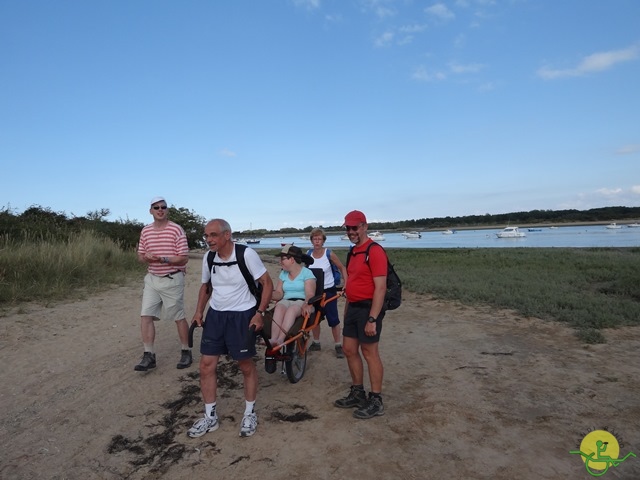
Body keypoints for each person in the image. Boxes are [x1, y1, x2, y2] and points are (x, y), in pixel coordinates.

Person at [188, 219, 273, 438]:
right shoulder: (209, 257)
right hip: (216, 315)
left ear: (227, 235)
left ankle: (250, 412)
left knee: (245, 365)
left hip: (242, 315)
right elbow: (206, 286)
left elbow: (267, 282)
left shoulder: (246, 254)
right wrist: (199, 311)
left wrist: (260, 313)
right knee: (206, 365)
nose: (209, 240)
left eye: (213, 235)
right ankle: (210, 417)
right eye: (206, 236)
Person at [334, 210, 387, 419]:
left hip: (369, 309)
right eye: (348, 228)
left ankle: (376, 400)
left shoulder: (374, 251)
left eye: (354, 227)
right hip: (353, 307)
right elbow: (353, 282)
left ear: (364, 226)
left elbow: (380, 288)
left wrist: (373, 318)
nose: (351, 231)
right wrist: (347, 309)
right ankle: (358, 392)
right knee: (348, 349)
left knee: (369, 352)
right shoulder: (354, 251)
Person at [134, 196, 191, 372]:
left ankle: (186, 350)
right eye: (156, 207)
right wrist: (146, 258)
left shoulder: (176, 230)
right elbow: (140, 256)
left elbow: (184, 258)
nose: (160, 210)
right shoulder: (145, 231)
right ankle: (148, 355)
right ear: (150, 211)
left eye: (163, 207)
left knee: (178, 316)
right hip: (152, 278)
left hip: (172, 278)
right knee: (146, 315)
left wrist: (162, 259)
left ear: (167, 210)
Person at [306, 228, 348, 358]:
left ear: (323, 241)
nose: (317, 241)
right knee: (315, 319)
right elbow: (305, 272)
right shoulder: (308, 254)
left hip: (329, 290)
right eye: (315, 239)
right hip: (314, 291)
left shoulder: (329, 254)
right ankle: (316, 342)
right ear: (311, 240)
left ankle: (338, 345)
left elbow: (342, 267)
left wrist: (346, 284)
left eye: (319, 239)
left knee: (333, 319)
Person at [269, 245, 316, 346]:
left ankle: (281, 339)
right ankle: (273, 338)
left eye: (283, 259)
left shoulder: (307, 273)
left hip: (301, 301)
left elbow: (310, 293)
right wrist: (268, 294)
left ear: (292, 259)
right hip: (286, 300)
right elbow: (279, 293)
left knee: (292, 310)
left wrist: (307, 304)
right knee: (279, 307)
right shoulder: (283, 274)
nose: (280, 262)